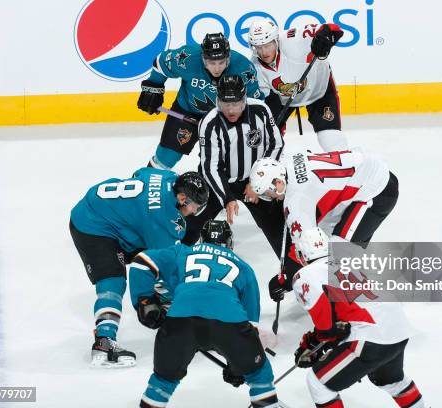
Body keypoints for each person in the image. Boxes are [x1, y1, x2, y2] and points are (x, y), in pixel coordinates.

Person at [127, 223, 279, 408]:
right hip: (229, 323)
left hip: (179, 322)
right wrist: (239, 365)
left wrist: (144, 301)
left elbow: (142, 262)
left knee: (163, 381)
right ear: (229, 243)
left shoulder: (182, 251)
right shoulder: (244, 268)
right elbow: (251, 324)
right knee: (258, 374)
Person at [69, 168, 209, 367]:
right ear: (181, 197)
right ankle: (104, 342)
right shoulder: (164, 218)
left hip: (108, 214)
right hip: (92, 224)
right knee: (113, 282)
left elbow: (139, 173)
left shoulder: (167, 177)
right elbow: (163, 265)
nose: (194, 211)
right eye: (194, 206)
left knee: (156, 267)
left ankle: (172, 309)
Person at [290, 228, 427, 408]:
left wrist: (313, 344)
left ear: (301, 254)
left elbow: (327, 329)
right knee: (392, 382)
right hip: (398, 330)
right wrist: (320, 339)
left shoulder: (305, 274)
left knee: (318, 383)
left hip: (370, 338)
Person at [249, 147, 398, 301]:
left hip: (377, 190)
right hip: (368, 170)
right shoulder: (287, 161)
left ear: (279, 182)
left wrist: (284, 279)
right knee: (330, 238)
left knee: (335, 257)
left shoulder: (296, 202)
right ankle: (352, 286)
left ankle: (354, 305)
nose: (270, 197)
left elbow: (310, 250)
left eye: (268, 193)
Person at [184, 74, 287, 254]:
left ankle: (291, 272)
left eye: (236, 105)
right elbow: (210, 168)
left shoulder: (261, 111)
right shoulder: (209, 123)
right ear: (218, 102)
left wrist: (257, 182)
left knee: (280, 230)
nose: (231, 111)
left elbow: (276, 144)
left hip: (255, 179)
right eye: (225, 105)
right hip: (219, 181)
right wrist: (227, 197)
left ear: (244, 100)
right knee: (189, 224)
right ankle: (171, 267)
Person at [137, 33, 263, 171]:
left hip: (224, 118)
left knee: (223, 163)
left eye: (221, 62)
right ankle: (148, 184)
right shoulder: (187, 58)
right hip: (187, 111)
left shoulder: (244, 68)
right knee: (167, 156)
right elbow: (160, 63)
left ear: (228, 58)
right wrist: (153, 88)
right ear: (203, 58)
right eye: (211, 63)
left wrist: (248, 124)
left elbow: (255, 102)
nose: (217, 68)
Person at [248, 18, 347, 151]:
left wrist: (325, 38)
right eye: (259, 47)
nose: (264, 52)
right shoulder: (254, 66)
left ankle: (345, 163)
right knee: (269, 137)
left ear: (276, 40)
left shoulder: (294, 38)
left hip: (319, 89)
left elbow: (332, 28)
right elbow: (264, 99)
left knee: (329, 137)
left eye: (267, 45)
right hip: (284, 99)